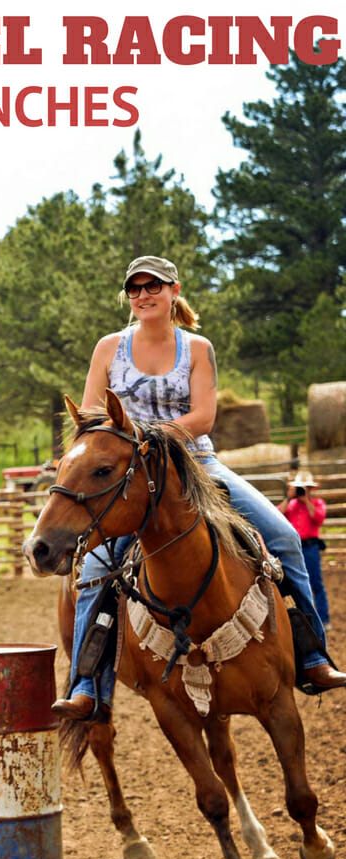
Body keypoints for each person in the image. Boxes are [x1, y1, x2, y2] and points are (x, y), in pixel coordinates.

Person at [52, 254, 346, 720]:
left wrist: (149, 438)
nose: (143, 295)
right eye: (135, 288)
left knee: (285, 538)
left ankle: (313, 656)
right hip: (129, 473)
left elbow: (204, 418)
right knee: (95, 568)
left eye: (153, 286)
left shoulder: (197, 348)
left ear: (174, 290)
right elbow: (92, 416)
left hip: (197, 465)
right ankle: (88, 685)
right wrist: (123, 449)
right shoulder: (108, 347)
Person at [278, 470, 331, 629]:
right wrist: (289, 498)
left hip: (310, 548)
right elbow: (277, 515)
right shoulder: (291, 504)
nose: (303, 490)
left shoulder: (317, 503)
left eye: (306, 488)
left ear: (311, 490)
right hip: (294, 548)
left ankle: (323, 619)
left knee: (316, 583)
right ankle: (302, 621)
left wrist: (306, 500)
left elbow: (318, 518)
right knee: (294, 584)